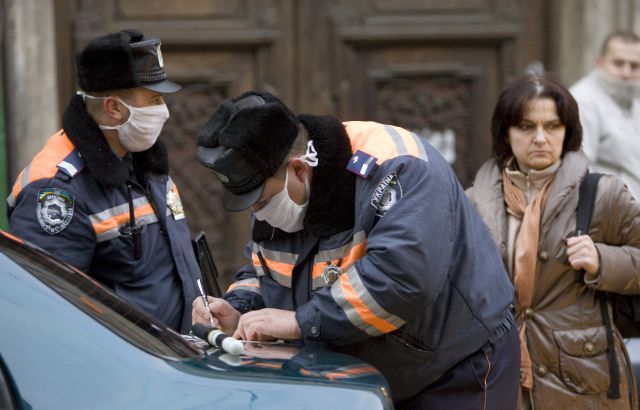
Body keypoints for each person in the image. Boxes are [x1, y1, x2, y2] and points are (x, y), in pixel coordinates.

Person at [191, 90, 520, 408]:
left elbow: (404, 279)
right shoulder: (278, 190)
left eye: (262, 200)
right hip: (368, 375)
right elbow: (264, 265)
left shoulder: (398, 166)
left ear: (299, 169)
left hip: (456, 367)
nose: (259, 212)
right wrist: (238, 309)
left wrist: (300, 323)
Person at [7, 29, 202, 333]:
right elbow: (48, 313)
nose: (163, 111)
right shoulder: (56, 190)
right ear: (113, 108)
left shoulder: (142, 158)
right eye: (154, 100)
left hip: (177, 358)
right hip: (124, 370)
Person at [466, 73, 640, 409]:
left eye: (553, 126)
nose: (540, 138)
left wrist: (603, 261)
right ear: (506, 133)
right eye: (526, 127)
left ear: (569, 131)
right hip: (499, 374)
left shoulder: (603, 194)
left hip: (584, 381)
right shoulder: (473, 202)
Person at [570, 30, 640, 198]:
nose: (626, 73)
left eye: (634, 66)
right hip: (613, 214)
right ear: (600, 62)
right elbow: (580, 170)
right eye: (618, 63)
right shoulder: (583, 101)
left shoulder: (635, 98)